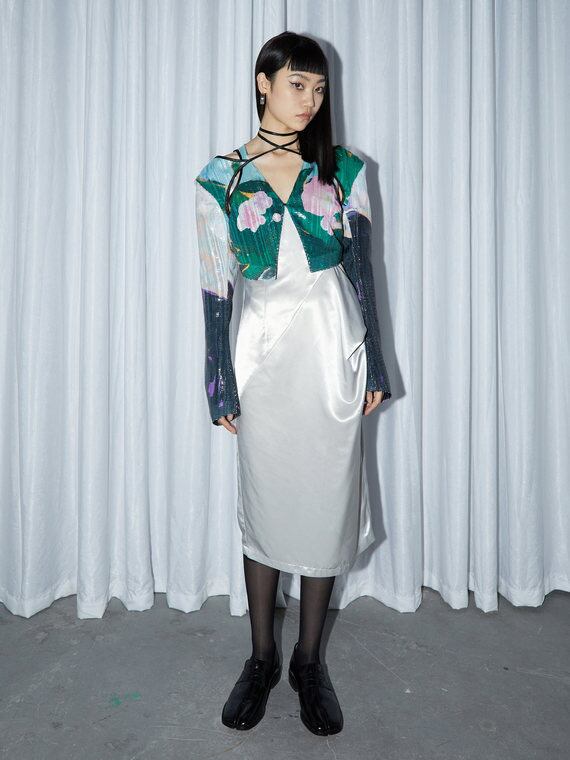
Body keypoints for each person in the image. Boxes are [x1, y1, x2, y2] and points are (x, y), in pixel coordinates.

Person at [194, 31, 391, 737]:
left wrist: (377, 362)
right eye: (297, 84)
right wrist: (218, 378)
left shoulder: (343, 169)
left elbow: (362, 270)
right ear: (263, 82)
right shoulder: (221, 178)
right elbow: (215, 286)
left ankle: (309, 660)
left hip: (333, 349)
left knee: (326, 503)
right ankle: (261, 657)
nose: (310, 99)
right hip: (263, 356)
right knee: (266, 499)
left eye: (319, 87)